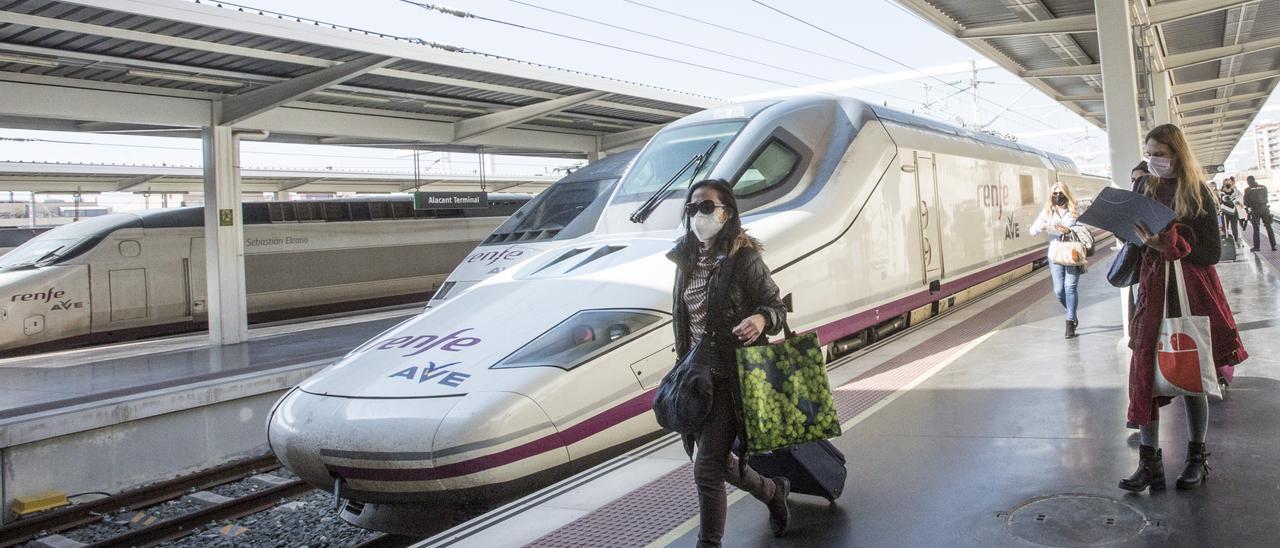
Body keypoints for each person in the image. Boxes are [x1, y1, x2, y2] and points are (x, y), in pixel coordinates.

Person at [1121, 124, 1247, 493]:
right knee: (1144, 374)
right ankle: (1150, 463)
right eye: (1150, 152)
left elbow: (1210, 253)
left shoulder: (1199, 193)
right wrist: (1131, 235)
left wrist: (1169, 244)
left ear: (1177, 153)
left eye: (1160, 153)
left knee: (1193, 375)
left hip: (1191, 294)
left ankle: (1197, 458)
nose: (1154, 160)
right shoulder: (1144, 188)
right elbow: (1136, 244)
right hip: (1152, 293)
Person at [669, 179, 790, 547]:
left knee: (706, 470)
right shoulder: (684, 258)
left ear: (727, 213)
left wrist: (761, 319)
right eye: (692, 208)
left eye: (707, 207)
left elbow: (777, 307)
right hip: (694, 379)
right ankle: (772, 492)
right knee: (718, 463)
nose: (698, 215)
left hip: (729, 377)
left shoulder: (744, 258)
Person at [1030, 182, 1083, 338]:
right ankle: (1071, 312)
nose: (1057, 196)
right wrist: (1046, 226)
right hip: (1055, 255)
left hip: (1072, 254)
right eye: (1054, 193)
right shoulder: (1047, 212)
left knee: (1070, 287)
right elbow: (1033, 230)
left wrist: (1051, 227)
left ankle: (1070, 323)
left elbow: (1071, 229)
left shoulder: (1074, 211)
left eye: (1060, 193)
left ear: (1066, 194)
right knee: (1059, 290)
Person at [1243, 175, 1276, 252]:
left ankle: (1257, 247)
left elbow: (1245, 202)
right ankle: (1273, 246)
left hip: (1255, 211)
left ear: (1248, 182)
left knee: (1256, 229)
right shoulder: (1263, 187)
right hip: (1265, 209)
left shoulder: (1248, 190)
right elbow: (1266, 197)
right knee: (1269, 227)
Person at [1219, 179, 1244, 247]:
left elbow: (1239, 199)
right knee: (1225, 228)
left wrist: (1233, 194)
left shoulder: (1236, 192)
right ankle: (1226, 243)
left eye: (1229, 184)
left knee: (1234, 227)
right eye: (1226, 184)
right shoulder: (1221, 193)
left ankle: (1236, 241)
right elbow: (1225, 199)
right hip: (1225, 213)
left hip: (1233, 212)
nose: (1227, 186)